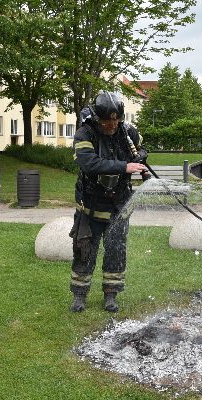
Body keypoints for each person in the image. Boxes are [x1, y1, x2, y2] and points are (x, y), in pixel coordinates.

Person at [69, 92, 148, 313]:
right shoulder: (85, 133)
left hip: (120, 205)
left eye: (116, 119)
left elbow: (142, 149)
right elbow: (88, 163)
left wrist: (140, 156)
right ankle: (79, 295)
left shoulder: (128, 131)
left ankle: (111, 295)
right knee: (84, 250)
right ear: (97, 117)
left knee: (116, 250)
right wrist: (124, 167)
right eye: (107, 120)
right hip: (90, 205)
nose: (112, 124)